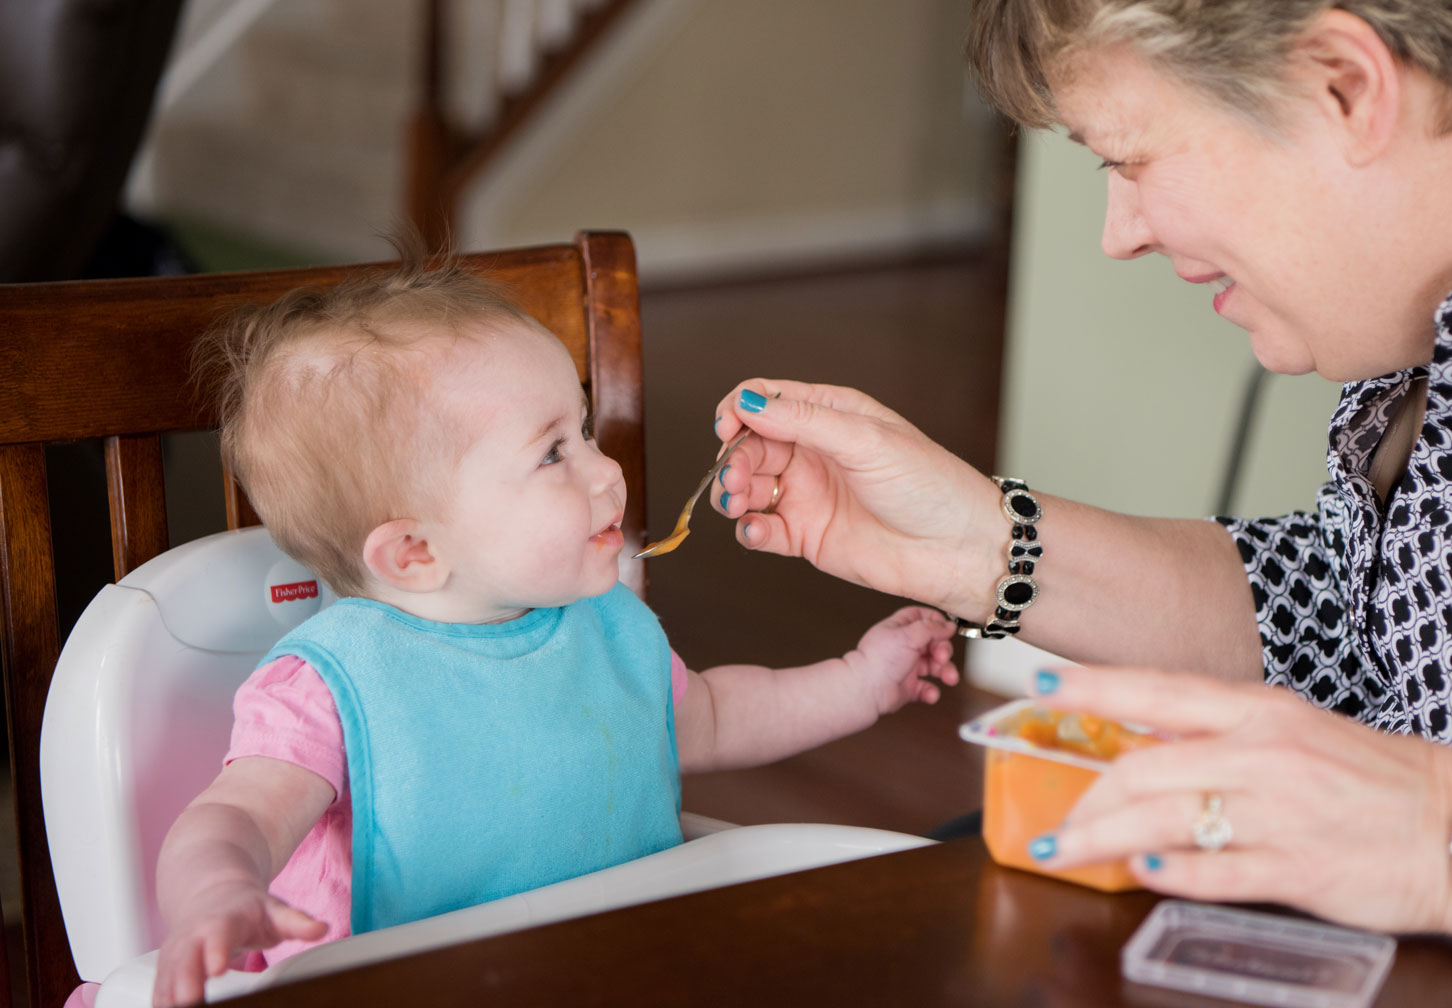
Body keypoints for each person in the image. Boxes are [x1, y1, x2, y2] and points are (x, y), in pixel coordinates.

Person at [698, 1, 1452, 1005]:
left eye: (1132, 159)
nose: (1118, 234)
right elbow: (1363, 631)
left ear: (1347, 84)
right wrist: (982, 546)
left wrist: (1436, 830)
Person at [145, 250, 960, 1008]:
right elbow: (237, 819)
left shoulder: (603, 624)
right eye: (551, 455)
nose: (606, 471)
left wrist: (861, 678)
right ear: (416, 551)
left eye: (585, 431)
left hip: (607, 963)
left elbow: (712, 716)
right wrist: (219, 893)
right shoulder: (335, 685)